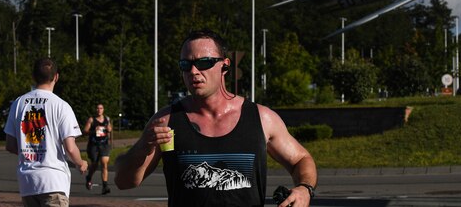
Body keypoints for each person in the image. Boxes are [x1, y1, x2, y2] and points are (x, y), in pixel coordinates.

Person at [115, 29, 317, 207]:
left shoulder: (261, 118)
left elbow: (301, 159)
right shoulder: (167, 120)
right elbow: (124, 182)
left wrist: (304, 189)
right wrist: (143, 146)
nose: (194, 71)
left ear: (225, 65)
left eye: (204, 63)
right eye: (186, 64)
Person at [4, 57, 88, 206]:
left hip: (28, 182)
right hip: (54, 180)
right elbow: (70, 146)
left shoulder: (18, 103)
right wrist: (80, 162)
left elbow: (10, 145)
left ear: (33, 76)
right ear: (56, 77)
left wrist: (30, 151)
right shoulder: (61, 106)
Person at [83, 103, 112, 195]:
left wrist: (108, 128)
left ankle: (105, 186)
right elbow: (85, 131)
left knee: (104, 163)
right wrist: (93, 131)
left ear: (103, 110)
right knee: (94, 164)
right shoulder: (91, 120)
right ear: (96, 110)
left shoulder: (107, 119)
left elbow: (110, 129)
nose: (99, 110)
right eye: (97, 108)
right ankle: (89, 177)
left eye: (101, 108)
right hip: (94, 145)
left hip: (104, 144)